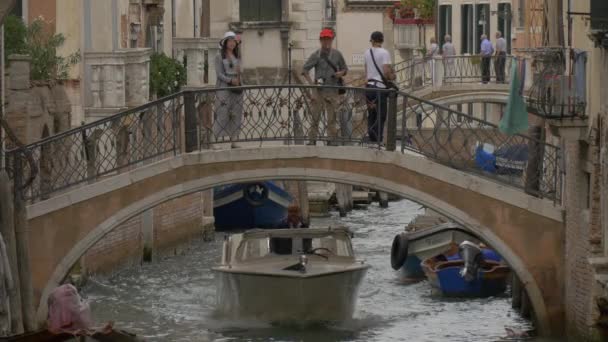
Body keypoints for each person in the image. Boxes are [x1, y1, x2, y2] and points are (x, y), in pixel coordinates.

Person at [301, 28, 348, 145]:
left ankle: (331, 141)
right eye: (324, 39)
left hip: (333, 90)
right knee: (315, 117)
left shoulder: (337, 54)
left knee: (332, 118)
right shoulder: (316, 55)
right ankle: (312, 141)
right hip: (319, 91)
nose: (326, 41)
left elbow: (345, 69)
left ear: (332, 40)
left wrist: (340, 73)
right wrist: (312, 85)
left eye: (328, 39)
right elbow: (304, 70)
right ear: (320, 40)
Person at [364, 31, 395, 144]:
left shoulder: (367, 52)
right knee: (380, 115)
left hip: (369, 87)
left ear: (372, 40)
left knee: (371, 113)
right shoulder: (384, 52)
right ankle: (378, 139)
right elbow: (386, 71)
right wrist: (392, 76)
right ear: (381, 40)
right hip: (380, 89)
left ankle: (372, 137)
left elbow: (366, 72)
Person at [213, 31, 244, 149]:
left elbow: (240, 72)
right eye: (230, 41)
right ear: (225, 42)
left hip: (237, 89)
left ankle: (234, 140)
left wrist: (239, 80)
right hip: (224, 88)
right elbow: (219, 74)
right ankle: (215, 140)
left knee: (236, 113)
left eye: (234, 41)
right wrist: (230, 81)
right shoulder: (219, 56)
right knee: (222, 113)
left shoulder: (237, 56)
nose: (232, 43)